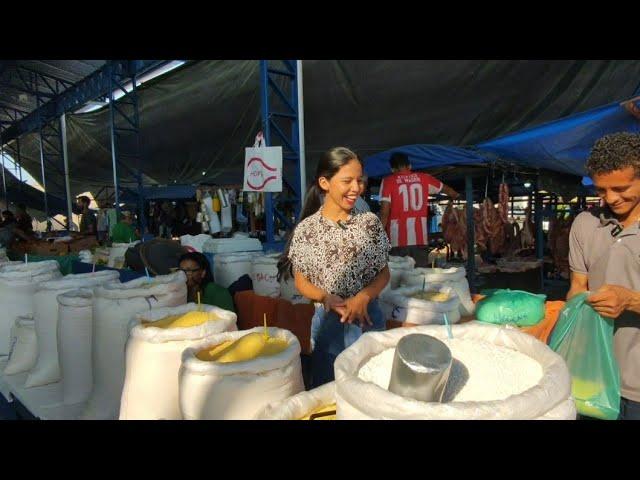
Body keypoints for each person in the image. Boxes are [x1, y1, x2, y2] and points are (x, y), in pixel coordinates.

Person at [279, 147, 390, 388]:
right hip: (330, 323)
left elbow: (384, 273)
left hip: (369, 318)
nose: (356, 188)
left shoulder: (369, 223)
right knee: (330, 394)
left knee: (374, 391)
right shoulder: (307, 230)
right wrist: (325, 297)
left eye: (359, 181)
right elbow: (301, 282)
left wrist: (364, 296)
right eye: (347, 181)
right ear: (325, 183)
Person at [567, 132, 640, 420]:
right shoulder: (585, 224)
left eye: (621, 188)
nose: (610, 198)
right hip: (592, 377)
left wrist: (630, 300)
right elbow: (577, 287)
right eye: (601, 190)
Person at [379, 152, 459, 267]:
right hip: (420, 239)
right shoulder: (425, 178)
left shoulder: (388, 181)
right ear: (410, 166)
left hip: (397, 240)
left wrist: (378, 236)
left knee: (400, 278)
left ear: (392, 169)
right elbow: (448, 190)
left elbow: (384, 212)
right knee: (420, 277)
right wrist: (456, 196)